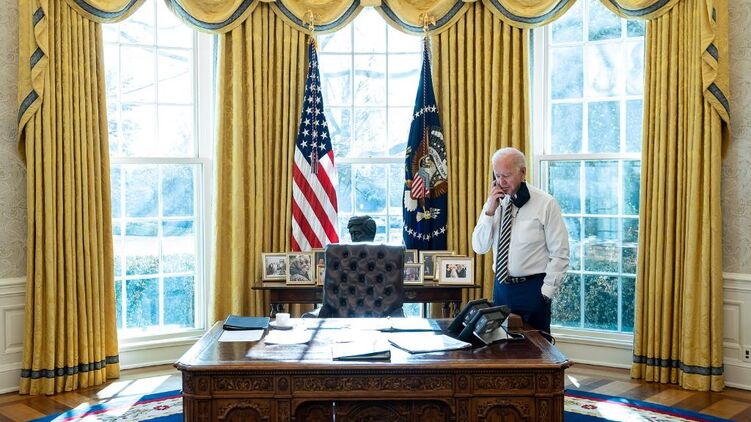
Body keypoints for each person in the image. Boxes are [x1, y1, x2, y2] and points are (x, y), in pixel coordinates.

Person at [471, 147, 569, 335]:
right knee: (500, 345)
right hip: (501, 289)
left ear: (523, 172)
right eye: (497, 175)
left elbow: (560, 253)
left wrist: (546, 293)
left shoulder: (546, 203)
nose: (501, 182)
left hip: (533, 290)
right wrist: (489, 211)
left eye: (506, 175)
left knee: (537, 349)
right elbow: (479, 247)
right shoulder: (493, 203)